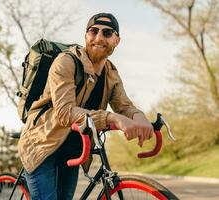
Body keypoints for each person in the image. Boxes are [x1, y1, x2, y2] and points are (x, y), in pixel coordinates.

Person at [18, 13, 154, 200]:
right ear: (86, 35)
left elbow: (124, 105)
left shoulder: (110, 72)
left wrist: (139, 117)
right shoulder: (65, 62)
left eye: (107, 33)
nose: (99, 37)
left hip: (71, 150)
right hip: (42, 145)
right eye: (93, 31)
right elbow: (65, 113)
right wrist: (112, 118)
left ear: (117, 40)